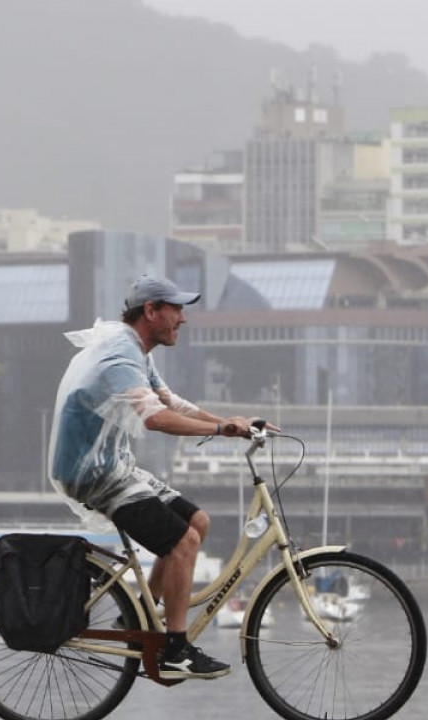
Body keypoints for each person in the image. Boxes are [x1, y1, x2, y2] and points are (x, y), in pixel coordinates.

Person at [48, 274, 276, 679]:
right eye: (176, 309)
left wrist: (229, 422)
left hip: (112, 464)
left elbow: (171, 401)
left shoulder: (136, 351)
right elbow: (155, 418)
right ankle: (175, 648)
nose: (182, 319)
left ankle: (133, 619)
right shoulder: (119, 357)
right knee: (183, 542)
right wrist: (220, 430)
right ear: (150, 311)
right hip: (94, 473)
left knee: (197, 522)